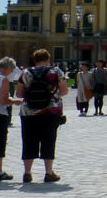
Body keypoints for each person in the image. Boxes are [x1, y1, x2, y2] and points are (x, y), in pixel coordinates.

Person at [16, 49, 68, 183]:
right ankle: (48, 173)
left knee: (28, 140)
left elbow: (19, 94)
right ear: (48, 59)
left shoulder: (25, 72)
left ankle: (27, 173)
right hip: (50, 111)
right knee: (49, 140)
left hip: (28, 112)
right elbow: (64, 90)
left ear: (34, 59)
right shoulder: (56, 71)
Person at [0, 56, 22, 181]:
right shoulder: (3, 79)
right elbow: (3, 100)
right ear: (8, 68)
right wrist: (15, 101)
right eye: (12, 69)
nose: (12, 72)